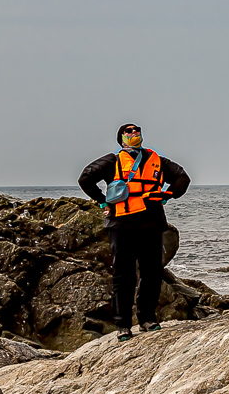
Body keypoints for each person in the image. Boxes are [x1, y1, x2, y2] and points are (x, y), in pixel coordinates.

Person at [78, 124, 191, 341]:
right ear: (121, 139)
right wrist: (103, 201)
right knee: (123, 275)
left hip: (151, 224)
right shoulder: (112, 161)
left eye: (136, 131)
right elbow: (85, 178)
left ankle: (147, 318)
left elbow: (182, 177)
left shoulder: (157, 160)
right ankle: (123, 325)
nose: (133, 134)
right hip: (121, 226)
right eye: (128, 132)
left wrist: (168, 195)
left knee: (152, 272)